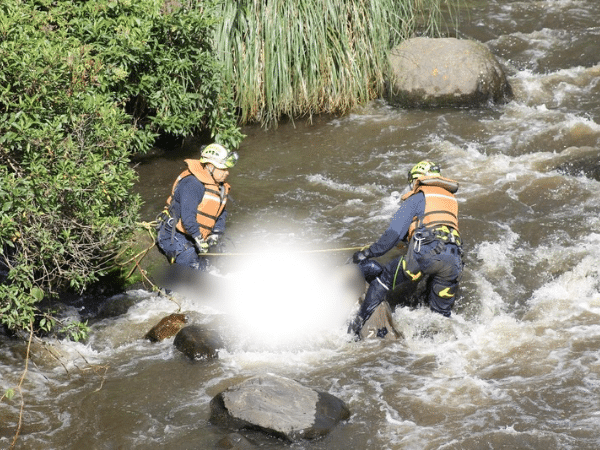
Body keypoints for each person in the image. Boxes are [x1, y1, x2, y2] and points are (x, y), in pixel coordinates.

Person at [348, 161, 464, 337]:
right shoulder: (449, 200)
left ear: (419, 178)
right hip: (454, 259)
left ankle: (354, 330)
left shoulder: (417, 198)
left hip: (426, 255)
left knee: (382, 281)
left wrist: (367, 253)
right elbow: (436, 227)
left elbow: (391, 237)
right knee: (440, 318)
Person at [156, 143, 238, 271]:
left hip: (195, 234)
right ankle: (173, 288)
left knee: (222, 253)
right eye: (223, 169)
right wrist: (199, 239)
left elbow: (221, 213)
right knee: (189, 257)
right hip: (173, 233)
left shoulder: (220, 186)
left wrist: (215, 234)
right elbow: (188, 218)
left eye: (228, 169)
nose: (227, 173)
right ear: (210, 166)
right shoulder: (192, 184)